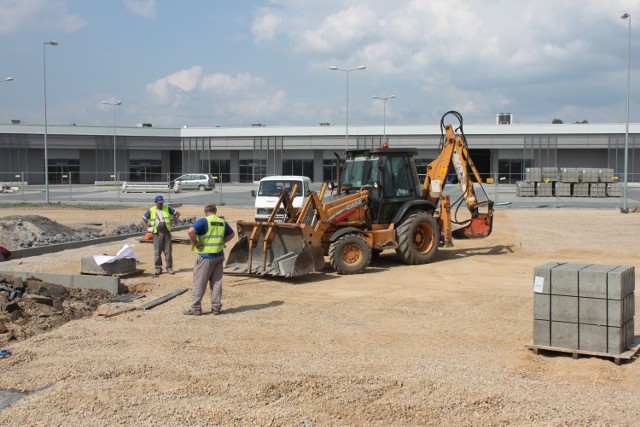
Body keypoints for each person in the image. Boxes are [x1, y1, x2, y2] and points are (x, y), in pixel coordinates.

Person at [183, 201, 235, 316]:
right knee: (216, 283)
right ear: (215, 211)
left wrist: (196, 243)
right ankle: (216, 308)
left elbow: (191, 231)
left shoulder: (204, 221)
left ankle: (196, 308)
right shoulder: (222, 222)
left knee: (200, 283)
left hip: (205, 257)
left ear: (205, 211)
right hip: (219, 256)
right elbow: (232, 235)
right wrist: (222, 241)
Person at [141, 195, 180, 276]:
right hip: (156, 233)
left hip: (166, 232)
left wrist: (175, 220)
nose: (161, 204)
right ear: (155, 203)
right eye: (159, 203)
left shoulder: (167, 208)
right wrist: (148, 228)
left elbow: (177, 213)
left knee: (168, 251)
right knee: (157, 252)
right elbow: (143, 219)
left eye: (162, 203)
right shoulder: (151, 211)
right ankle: (158, 268)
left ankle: (169, 267)